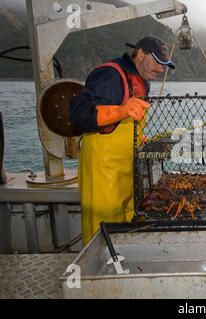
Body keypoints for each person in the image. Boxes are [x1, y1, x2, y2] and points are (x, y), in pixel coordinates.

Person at [70, 35, 175, 245]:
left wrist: (137, 136)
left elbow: (128, 121)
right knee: (103, 233)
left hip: (129, 172)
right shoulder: (110, 74)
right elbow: (78, 114)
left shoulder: (142, 80)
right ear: (140, 54)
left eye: (164, 65)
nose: (160, 69)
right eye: (156, 61)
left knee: (128, 225)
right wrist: (119, 111)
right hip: (103, 172)